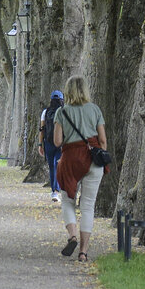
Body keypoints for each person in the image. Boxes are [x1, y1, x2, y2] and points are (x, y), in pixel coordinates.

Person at [53, 74, 107, 262]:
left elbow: (57, 141)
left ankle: (72, 235)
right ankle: (83, 252)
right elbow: (102, 140)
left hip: (70, 159)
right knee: (88, 205)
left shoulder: (62, 112)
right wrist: (99, 152)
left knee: (68, 200)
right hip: (92, 159)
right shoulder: (94, 110)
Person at [39, 89, 64, 202]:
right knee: (57, 165)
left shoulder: (45, 112)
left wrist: (40, 144)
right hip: (60, 143)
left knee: (52, 166)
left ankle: (54, 190)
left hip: (48, 143)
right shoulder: (64, 111)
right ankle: (56, 191)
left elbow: (42, 129)